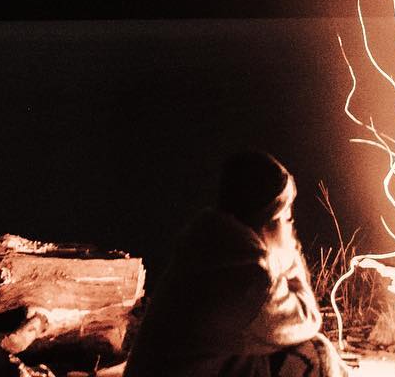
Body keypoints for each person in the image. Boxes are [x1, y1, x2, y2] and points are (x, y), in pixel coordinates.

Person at [124, 150, 344, 377]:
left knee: (257, 362)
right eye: (288, 218)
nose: (292, 229)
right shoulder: (250, 278)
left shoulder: (210, 249)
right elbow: (306, 320)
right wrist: (291, 259)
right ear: (271, 217)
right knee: (314, 354)